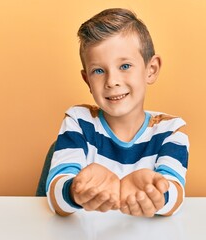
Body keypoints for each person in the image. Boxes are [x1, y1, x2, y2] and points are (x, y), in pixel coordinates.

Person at [46, 8, 189, 217]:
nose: (112, 81)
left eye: (125, 66)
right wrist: (75, 191)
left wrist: (156, 195)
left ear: (151, 69)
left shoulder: (171, 131)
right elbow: (55, 197)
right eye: (98, 71)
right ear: (87, 80)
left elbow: (175, 196)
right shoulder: (79, 122)